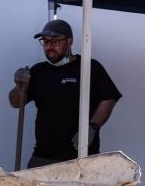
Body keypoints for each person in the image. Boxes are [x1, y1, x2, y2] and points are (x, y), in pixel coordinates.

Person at [9, 19, 121, 168]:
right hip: (43, 157)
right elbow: (16, 102)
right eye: (46, 42)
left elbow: (108, 99)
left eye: (55, 41)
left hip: (81, 157)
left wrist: (92, 127)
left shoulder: (88, 67)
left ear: (70, 42)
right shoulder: (38, 71)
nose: (49, 47)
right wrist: (19, 86)